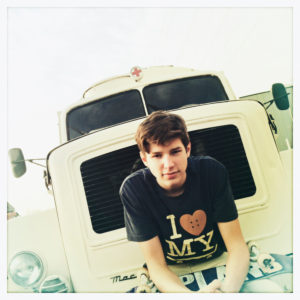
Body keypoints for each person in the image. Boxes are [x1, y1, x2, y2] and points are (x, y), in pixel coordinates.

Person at [120, 111, 249, 293]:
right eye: (157, 156)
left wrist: (228, 291)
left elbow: (236, 246)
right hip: (172, 272)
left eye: (175, 152)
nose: (168, 164)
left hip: (221, 260)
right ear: (145, 159)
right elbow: (156, 265)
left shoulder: (211, 171)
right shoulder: (134, 189)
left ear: (187, 150)